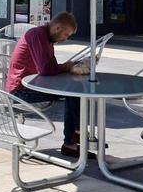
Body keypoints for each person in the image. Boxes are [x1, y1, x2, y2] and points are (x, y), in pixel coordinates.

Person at [5, 12, 93, 157]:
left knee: (74, 91)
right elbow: (46, 70)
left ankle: (75, 136)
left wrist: (69, 67)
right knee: (73, 92)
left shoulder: (47, 38)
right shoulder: (37, 35)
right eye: (66, 34)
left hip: (32, 84)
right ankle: (75, 136)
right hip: (19, 91)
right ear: (57, 28)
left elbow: (50, 67)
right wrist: (66, 67)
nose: (65, 39)